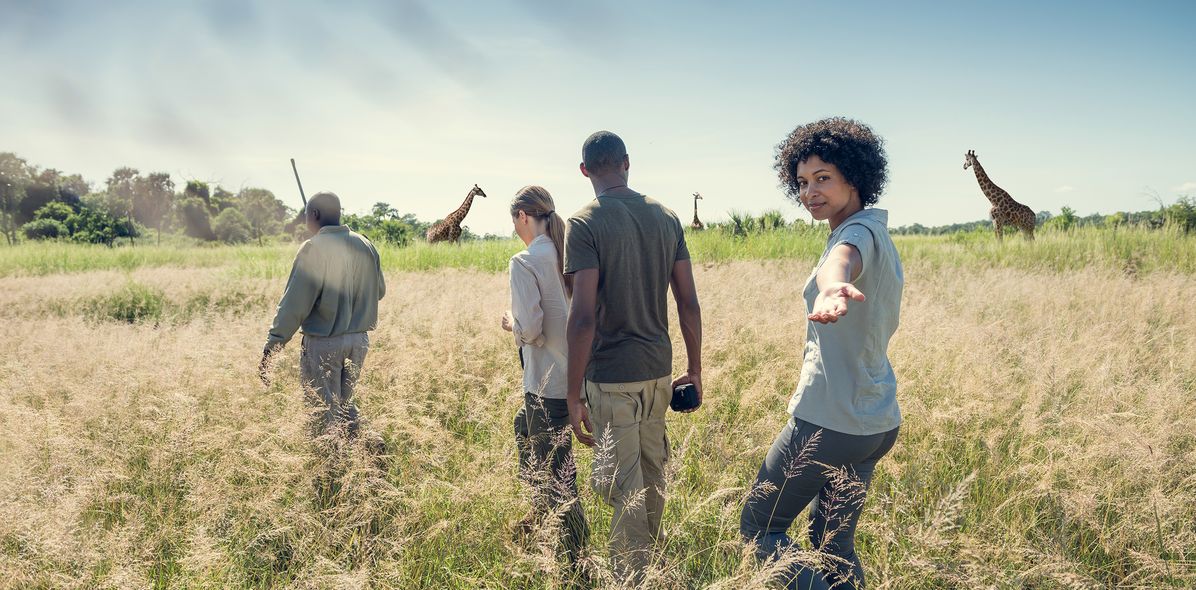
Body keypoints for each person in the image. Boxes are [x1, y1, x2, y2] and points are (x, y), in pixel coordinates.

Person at [739, 117, 903, 590]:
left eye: (823, 178)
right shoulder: (877, 232)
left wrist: (833, 289)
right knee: (832, 546)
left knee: (760, 529)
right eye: (802, 182)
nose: (810, 191)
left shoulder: (857, 235)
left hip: (829, 421)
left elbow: (841, 262)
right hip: (874, 422)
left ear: (856, 176)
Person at [564, 130, 703, 583]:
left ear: (585, 170)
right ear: (626, 162)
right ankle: (649, 565)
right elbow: (688, 303)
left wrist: (572, 394)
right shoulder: (666, 217)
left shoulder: (583, 223)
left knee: (620, 487)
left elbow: (582, 317)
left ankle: (631, 577)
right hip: (659, 374)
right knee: (650, 475)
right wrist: (695, 370)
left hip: (610, 377)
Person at [500, 185, 589, 564]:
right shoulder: (571, 256)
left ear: (523, 217)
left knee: (558, 474)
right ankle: (538, 512)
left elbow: (532, 330)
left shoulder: (524, 262)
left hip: (546, 384)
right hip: (580, 380)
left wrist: (511, 325)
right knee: (523, 428)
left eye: (514, 220)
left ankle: (575, 557)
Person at [259, 191, 386, 441]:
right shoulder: (365, 244)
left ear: (314, 214)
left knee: (322, 413)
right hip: (359, 342)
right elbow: (379, 291)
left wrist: (272, 347)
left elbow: (294, 305)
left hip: (324, 343)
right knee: (345, 405)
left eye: (307, 214)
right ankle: (369, 446)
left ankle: (328, 472)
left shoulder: (313, 248)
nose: (306, 220)